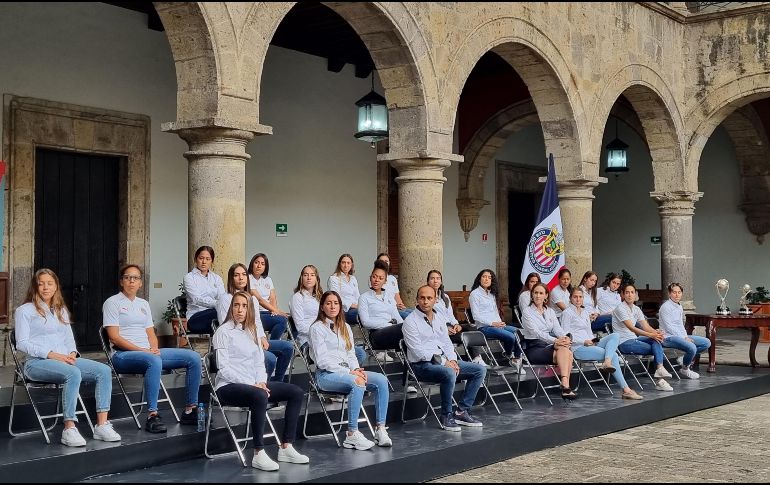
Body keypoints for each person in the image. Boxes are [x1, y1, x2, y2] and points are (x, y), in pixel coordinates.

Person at [15, 268, 121, 446]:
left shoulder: (61, 310)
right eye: (41, 284)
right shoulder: (24, 310)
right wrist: (51, 354)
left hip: (64, 359)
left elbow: (69, 339)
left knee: (103, 370)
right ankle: (69, 428)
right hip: (37, 363)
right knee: (73, 373)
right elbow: (21, 343)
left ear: (56, 286)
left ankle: (102, 425)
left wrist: (72, 353)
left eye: (50, 283)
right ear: (35, 287)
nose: (45, 288)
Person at [213, 291, 309, 471]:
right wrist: (252, 384)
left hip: (254, 384)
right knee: (259, 395)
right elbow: (223, 369)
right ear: (231, 308)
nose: (240, 310)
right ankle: (258, 453)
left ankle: (286, 446)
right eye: (236, 305)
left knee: (295, 392)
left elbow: (259, 363)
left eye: (244, 306)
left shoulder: (253, 331)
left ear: (250, 309)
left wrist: (261, 382)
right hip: (227, 386)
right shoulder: (223, 331)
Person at [105, 264, 203, 433]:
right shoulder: (112, 302)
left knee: (193, 357)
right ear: (121, 281)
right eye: (127, 277)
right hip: (122, 355)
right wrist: (144, 351)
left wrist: (154, 348)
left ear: (140, 283)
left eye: (135, 278)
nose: (131, 281)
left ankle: (190, 410)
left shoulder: (143, 304)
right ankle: (152, 415)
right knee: (153, 360)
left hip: (147, 353)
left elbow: (150, 333)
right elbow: (114, 337)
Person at [308, 291, 392, 450]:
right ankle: (352, 434)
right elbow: (322, 361)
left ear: (340, 306)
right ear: (322, 307)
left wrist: (355, 368)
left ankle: (380, 429)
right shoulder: (316, 328)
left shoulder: (345, 327)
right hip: (326, 375)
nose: (332, 306)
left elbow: (350, 354)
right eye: (328, 303)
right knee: (358, 382)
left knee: (381, 380)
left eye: (336, 303)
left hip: (348, 372)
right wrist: (349, 372)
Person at [402, 285, 487, 432]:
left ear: (435, 300)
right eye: (422, 298)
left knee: (479, 370)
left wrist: (452, 360)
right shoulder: (410, 322)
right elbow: (419, 353)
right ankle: (446, 415)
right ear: (417, 299)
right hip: (421, 366)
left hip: (442, 362)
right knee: (449, 372)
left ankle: (461, 412)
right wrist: (444, 362)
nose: (425, 301)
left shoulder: (439, 318)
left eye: (429, 298)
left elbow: (446, 343)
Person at [560, 287, 643, 400]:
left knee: (615, 335)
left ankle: (607, 362)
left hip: (590, 344)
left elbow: (589, 331)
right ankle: (626, 390)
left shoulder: (584, 312)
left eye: (580, 297)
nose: (578, 299)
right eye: (575, 297)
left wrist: (593, 340)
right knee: (614, 355)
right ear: (570, 298)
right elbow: (565, 335)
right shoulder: (567, 313)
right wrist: (583, 341)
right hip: (578, 348)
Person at [217, 263, 294, 382]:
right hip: (239, 344)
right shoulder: (225, 298)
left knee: (287, 347)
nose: (241, 278)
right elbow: (226, 324)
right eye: (236, 275)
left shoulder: (252, 299)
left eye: (244, 274)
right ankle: (261, 386)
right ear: (231, 278)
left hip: (255, 339)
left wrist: (262, 337)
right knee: (270, 359)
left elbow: (257, 321)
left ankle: (277, 383)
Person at [294, 265, 366, 365]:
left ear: (316, 278)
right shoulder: (297, 297)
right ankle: (339, 372)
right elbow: (300, 326)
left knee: (359, 353)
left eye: (312, 275)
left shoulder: (320, 297)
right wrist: (321, 330)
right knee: (337, 356)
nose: (309, 278)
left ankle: (345, 372)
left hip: (330, 336)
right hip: (309, 341)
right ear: (301, 278)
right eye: (306, 275)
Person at [520, 283, 577, 400]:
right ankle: (565, 385)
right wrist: (555, 340)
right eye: (535, 293)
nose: (538, 296)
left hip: (548, 345)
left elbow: (557, 329)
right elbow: (536, 333)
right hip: (534, 347)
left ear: (546, 296)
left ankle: (565, 384)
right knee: (567, 352)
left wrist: (564, 337)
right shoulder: (527, 312)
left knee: (566, 350)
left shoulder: (550, 311)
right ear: (532, 295)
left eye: (541, 293)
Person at [612, 283, 674, 392]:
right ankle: (660, 379)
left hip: (634, 339)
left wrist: (656, 333)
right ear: (622, 295)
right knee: (655, 348)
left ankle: (660, 369)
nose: (630, 295)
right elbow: (631, 328)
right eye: (627, 292)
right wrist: (651, 335)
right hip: (624, 342)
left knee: (656, 340)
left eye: (632, 292)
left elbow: (645, 326)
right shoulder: (620, 308)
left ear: (636, 294)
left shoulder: (636, 309)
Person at [469, 269, 524, 371]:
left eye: (489, 277)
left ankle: (516, 358)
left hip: (497, 325)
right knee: (511, 337)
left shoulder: (492, 294)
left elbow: (495, 312)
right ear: (479, 279)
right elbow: (476, 316)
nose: (487, 279)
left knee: (519, 332)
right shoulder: (474, 294)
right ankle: (508, 354)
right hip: (484, 327)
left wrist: (500, 323)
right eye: (484, 276)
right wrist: (493, 323)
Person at [427, 270, 481, 364]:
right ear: (428, 281)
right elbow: (429, 318)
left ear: (441, 281)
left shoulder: (445, 297)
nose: (435, 281)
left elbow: (450, 315)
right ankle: (471, 359)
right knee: (466, 336)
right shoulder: (426, 298)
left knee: (472, 327)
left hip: (451, 325)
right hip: (440, 328)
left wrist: (456, 324)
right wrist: (444, 328)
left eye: (438, 278)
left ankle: (476, 358)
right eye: (432, 278)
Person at [659, 283, 710, 379]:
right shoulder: (665, 307)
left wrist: (685, 336)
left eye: (679, 292)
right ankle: (685, 369)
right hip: (667, 337)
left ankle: (684, 358)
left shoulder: (679, 306)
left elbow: (680, 325)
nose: (677, 295)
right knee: (692, 347)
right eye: (674, 292)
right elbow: (669, 327)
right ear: (669, 293)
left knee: (706, 343)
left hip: (680, 336)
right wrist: (683, 338)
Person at [358, 260, 404, 352]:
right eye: (374, 277)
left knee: (411, 327)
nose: (376, 280)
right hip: (376, 335)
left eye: (380, 278)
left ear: (385, 281)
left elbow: (397, 317)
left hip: (392, 331)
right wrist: (388, 325)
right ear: (370, 278)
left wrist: (406, 325)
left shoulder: (389, 297)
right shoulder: (364, 297)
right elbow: (365, 322)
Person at [184, 245, 226, 335]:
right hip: (195, 318)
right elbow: (196, 299)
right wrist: (218, 304)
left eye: (208, 259)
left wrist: (222, 303)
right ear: (196, 259)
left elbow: (222, 297)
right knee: (224, 311)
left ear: (212, 261)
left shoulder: (217, 278)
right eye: (201, 258)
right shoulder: (189, 277)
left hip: (214, 314)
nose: (204, 262)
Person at [248, 253, 289, 340]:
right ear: (252, 264)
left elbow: (273, 297)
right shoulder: (248, 278)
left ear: (265, 267)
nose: (259, 266)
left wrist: (274, 311)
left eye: (262, 264)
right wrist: (275, 310)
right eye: (256, 262)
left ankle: (292, 344)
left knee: (291, 320)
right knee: (282, 321)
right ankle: (273, 344)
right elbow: (259, 299)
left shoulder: (268, 279)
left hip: (269, 312)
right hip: (257, 314)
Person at [327, 254, 360, 325]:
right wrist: (352, 305)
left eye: (348, 263)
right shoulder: (334, 279)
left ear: (351, 265)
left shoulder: (353, 279)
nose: (346, 265)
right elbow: (336, 298)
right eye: (343, 262)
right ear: (339, 264)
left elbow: (357, 296)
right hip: (343, 311)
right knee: (362, 313)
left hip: (356, 308)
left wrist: (360, 305)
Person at [376, 253, 412, 318]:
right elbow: (378, 300)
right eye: (381, 261)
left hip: (397, 308)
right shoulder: (375, 278)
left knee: (416, 313)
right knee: (409, 316)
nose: (384, 263)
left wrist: (401, 305)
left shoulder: (392, 278)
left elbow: (397, 296)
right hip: (388, 310)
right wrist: (394, 306)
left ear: (389, 263)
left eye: (386, 261)